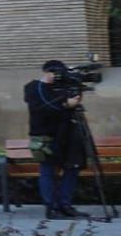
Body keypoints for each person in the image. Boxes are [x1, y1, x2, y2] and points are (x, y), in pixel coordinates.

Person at [26, 61, 88, 219]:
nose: (57, 77)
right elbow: (43, 107)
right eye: (55, 73)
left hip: (69, 133)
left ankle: (65, 205)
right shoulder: (34, 87)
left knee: (72, 168)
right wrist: (66, 105)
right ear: (47, 72)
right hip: (47, 135)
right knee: (48, 170)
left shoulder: (65, 87)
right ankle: (52, 207)